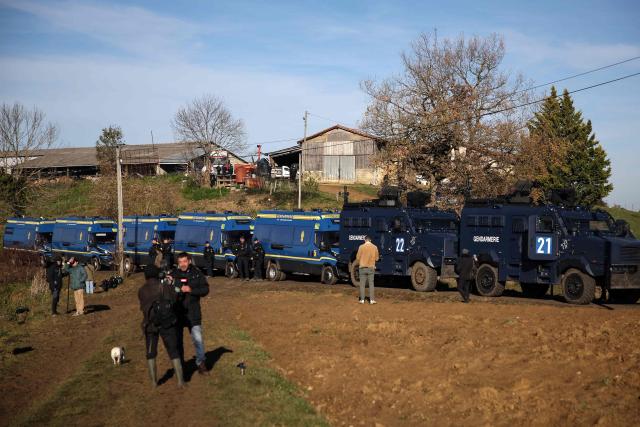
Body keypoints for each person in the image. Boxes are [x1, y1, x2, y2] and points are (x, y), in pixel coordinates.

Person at [138, 264, 184, 387]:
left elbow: (143, 307)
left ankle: (154, 382)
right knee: (173, 351)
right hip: (167, 323)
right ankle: (180, 381)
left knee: (151, 353)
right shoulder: (164, 286)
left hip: (150, 324)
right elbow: (175, 299)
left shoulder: (142, 290)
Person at [169, 252, 210, 375]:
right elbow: (165, 290)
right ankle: (181, 365)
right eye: (180, 262)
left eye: (184, 261)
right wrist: (169, 282)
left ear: (189, 261)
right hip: (177, 313)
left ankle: (201, 364)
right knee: (177, 341)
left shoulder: (197, 273)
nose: (182, 264)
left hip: (193, 312)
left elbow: (205, 289)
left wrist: (191, 290)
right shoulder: (173, 274)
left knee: (198, 340)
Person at [355, 236, 379, 304]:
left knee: (362, 284)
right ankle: (371, 300)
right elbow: (377, 258)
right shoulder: (375, 247)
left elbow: (357, 257)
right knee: (371, 284)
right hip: (371, 268)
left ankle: (362, 300)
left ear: (365, 240)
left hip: (362, 268)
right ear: (370, 240)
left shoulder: (361, 247)